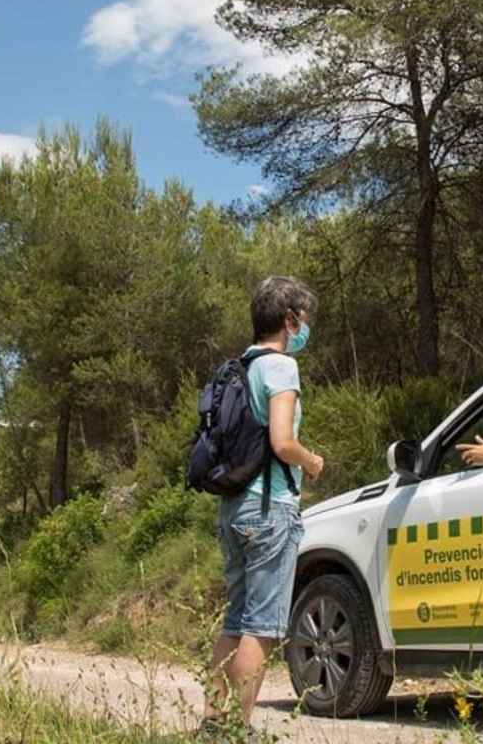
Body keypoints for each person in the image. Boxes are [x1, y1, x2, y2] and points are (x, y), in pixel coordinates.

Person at [203, 276, 325, 739]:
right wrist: (311, 462)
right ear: (289, 319)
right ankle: (239, 729)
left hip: (234, 509)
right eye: (304, 318)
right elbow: (282, 441)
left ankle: (214, 725)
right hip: (269, 509)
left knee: (235, 620)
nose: (306, 326)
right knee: (262, 627)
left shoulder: (241, 367)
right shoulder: (280, 368)